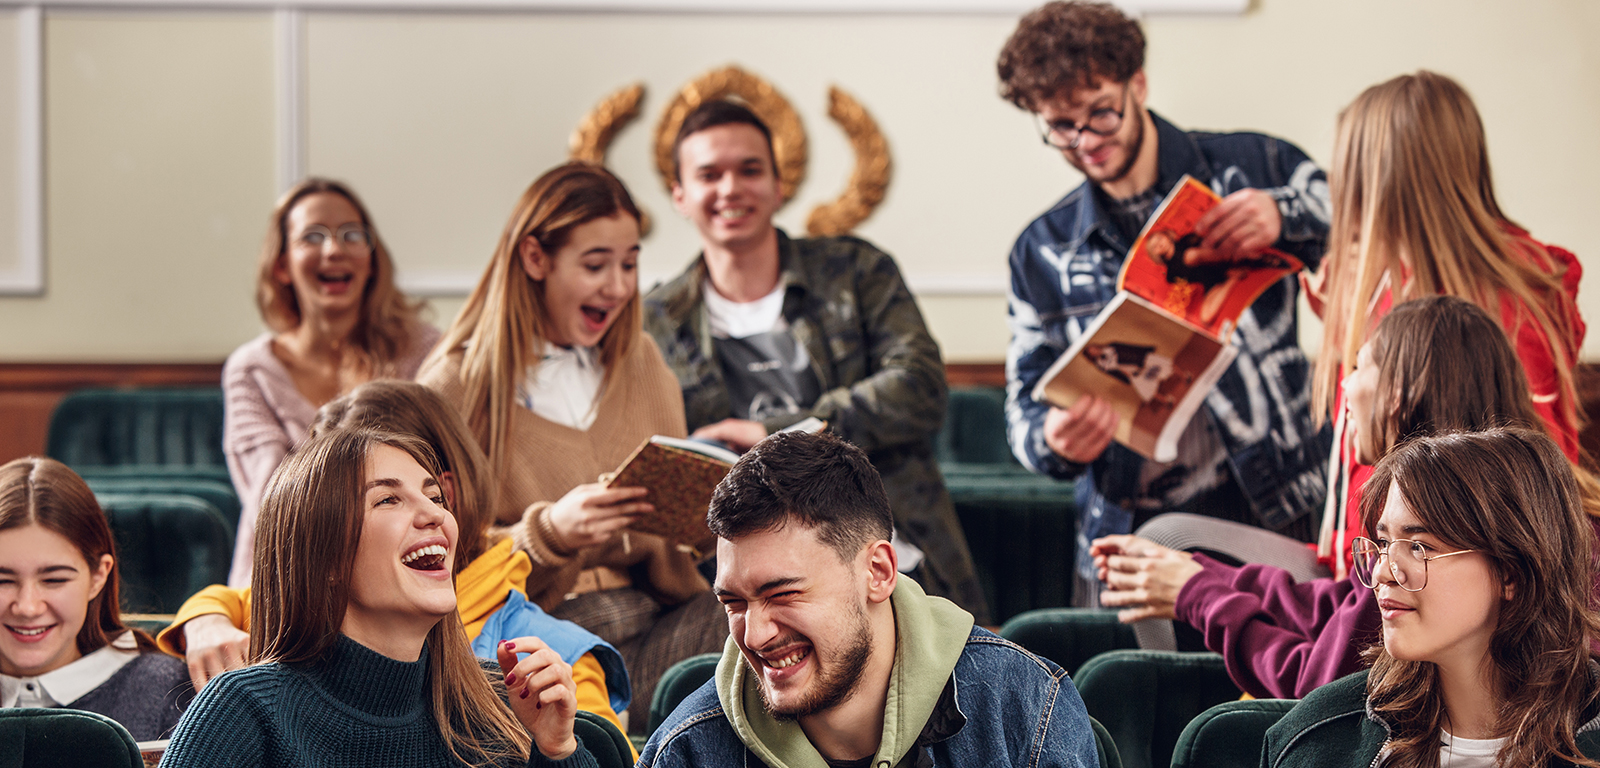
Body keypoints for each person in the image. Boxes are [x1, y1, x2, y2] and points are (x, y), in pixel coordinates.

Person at [1094, 69, 1588, 680]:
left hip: (1395, 567)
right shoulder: (1465, 289)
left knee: (1170, 549)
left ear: (1373, 181)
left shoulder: (1464, 317)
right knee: (1169, 545)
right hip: (1366, 565)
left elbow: (1495, 472)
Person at [996, 0, 1333, 605]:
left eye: (1101, 113)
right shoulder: (1039, 251)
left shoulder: (1252, 167)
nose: (1085, 141)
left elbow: (1366, 225)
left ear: (1138, 85)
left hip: (1276, 501)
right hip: (1129, 532)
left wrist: (1282, 213)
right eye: (1060, 127)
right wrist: (1053, 438)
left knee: (1289, 687)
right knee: (1137, 692)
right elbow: (1021, 412)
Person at [1095, 296, 1600, 698]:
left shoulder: (1440, 532)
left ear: (1398, 391)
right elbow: (1347, 613)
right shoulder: (1508, 505)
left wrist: (1199, 596)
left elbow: (1327, 685)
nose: (1344, 385)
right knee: (1169, 541)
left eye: (1358, 367)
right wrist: (1206, 578)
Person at [642, 99, 989, 623]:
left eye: (750, 170)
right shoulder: (655, 321)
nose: (731, 188)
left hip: (894, 556)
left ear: (780, 185)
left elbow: (919, 387)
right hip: (743, 581)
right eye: (710, 174)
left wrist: (772, 431)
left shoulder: (856, 270)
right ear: (680, 195)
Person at [418, 162, 724, 732]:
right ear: (535, 258)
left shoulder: (644, 363)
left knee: (790, 615)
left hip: (660, 614)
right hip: (539, 630)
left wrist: (715, 507)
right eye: (595, 265)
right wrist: (552, 532)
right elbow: (433, 558)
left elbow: (684, 552)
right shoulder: (454, 389)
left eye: (629, 263)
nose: (619, 286)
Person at [155, 380, 633, 736]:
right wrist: (206, 619)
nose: (426, 512)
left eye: (422, 491)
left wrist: (557, 749)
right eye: (384, 498)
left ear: (445, 492)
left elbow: (590, 750)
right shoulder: (251, 691)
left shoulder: (545, 658)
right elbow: (243, 598)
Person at [638, 431, 1097, 767]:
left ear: (878, 573)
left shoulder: (1026, 705)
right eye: (734, 603)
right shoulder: (687, 750)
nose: (754, 634)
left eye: (783, 593)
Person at [1265, 428, 1600, 767]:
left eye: (1419, 547)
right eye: (1383, 545)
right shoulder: (1313, 739)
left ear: (1510, 573)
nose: (1382, 572)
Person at [224, 178, 440, 587]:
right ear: (282, 265)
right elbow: (272, 501)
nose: (335, 249)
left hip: (405, 571)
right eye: (313, 236)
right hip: (286, 574)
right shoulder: (251, 369)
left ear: (372, 260)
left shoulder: (426, 350)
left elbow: (442, 475)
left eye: (352, 235)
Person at [0, 457, 193, 741]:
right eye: (3, 581)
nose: (28, 607)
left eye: (55, 580)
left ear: (98, 577)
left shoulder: (168, 693)